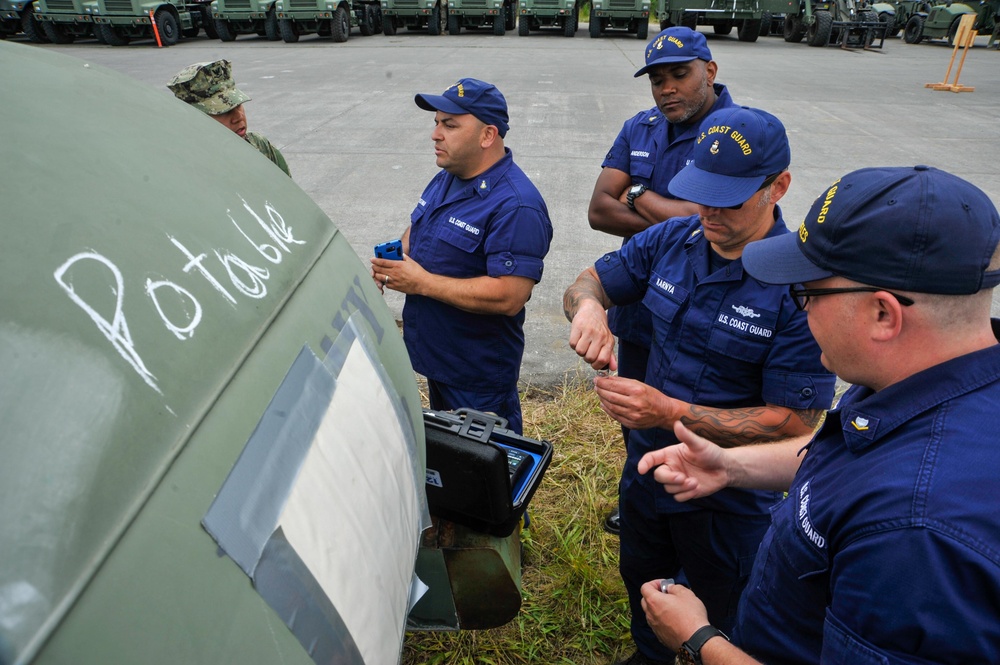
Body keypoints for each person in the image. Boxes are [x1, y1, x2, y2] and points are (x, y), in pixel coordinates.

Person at [637, 165, 1000, 664]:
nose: (800, 310)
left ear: (883, 314)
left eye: (806, 291)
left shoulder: (916, 533)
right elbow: (845, 455)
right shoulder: (918, 376)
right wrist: (731, 466)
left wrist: (699, 640)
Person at [564, 105, 836, 665]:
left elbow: (794, 422)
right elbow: (590, 280)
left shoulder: (797, 289)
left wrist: (668, 412)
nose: (708, 210)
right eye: (699, 191)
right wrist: (588, 310)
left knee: (718, 609)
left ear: (777, 187)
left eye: (727, 197)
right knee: (643, 580)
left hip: (727, 498)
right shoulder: (673, 238)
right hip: (646, 473)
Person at [587, 26, 736, 537]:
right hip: (639, 299)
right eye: (656, 78)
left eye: (680, 74)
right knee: (638, 413)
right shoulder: (641, 126)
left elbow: (715, 217)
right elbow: (598, 209)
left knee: (695, 413)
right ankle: (641, 502)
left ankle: (687, 513)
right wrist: (668, 210)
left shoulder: (737, 134)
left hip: (704, 306)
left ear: (709, 72)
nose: (666, 87)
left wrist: (636, 195)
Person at [370, 78, 553, 435]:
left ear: (487, 135)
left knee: (488, 472)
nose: (436, 134)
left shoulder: (517, 205)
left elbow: (509, 296)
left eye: (450, 125)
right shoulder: (449, 176)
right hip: (439, 360)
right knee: (454, 462)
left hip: (478, 375)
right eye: (436, 123)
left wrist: (421, 283)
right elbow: (418, 227)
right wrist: (394, 260)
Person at [167, 59, 291, 177]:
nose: (238, 117)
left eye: (238, 105)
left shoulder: (259, 146)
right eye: (223, 111)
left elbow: (289, 195)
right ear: (196, 118)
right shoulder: (186, 168)